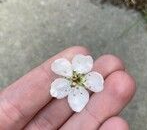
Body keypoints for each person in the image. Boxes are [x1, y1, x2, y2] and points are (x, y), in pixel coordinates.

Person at [0, 46, 136, 130]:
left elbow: (97, 84)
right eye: (75, 79)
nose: (75, 79)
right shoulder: (63, 80)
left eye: (76, 78)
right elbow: (55, 90)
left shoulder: (90, 78)